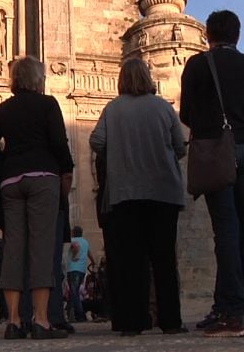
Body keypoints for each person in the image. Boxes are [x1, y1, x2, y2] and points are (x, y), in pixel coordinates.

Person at [179, 10, 244, 337]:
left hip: (219, 153)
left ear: (208, 35)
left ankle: (233, 314)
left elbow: (187, 114)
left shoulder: (197, 65)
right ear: (238, 35)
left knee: (227, 231)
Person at [90, 58, 186, 336]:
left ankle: (134, 321)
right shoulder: (163, 108)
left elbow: (96, 141)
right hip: (163, 192)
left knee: (132, 260)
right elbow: (180, 146)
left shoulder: (113, 108)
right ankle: (171, 321)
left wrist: (118, 153)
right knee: (164, 258)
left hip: (125, 193)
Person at [0, 56, 74, 340]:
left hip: (10, 181)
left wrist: (7, 161)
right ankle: (42, 320)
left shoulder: (4, 108)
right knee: (42, 248)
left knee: (13, 248)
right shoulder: (47, 104)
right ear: (38, 78)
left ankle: (13, 321)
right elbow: (59, 142)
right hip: (43, 177)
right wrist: (67, 170)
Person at [66, 226, 95, 323]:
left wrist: (74, 256)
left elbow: (76, 246)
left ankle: (80, 315)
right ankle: (70, 313)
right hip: (82, 270)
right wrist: (93, 262)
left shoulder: (73, 240)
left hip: (73, 269)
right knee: (74, 292)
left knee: (74, 293)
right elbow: (89, 253)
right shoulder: (85, 242)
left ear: (74, 232)